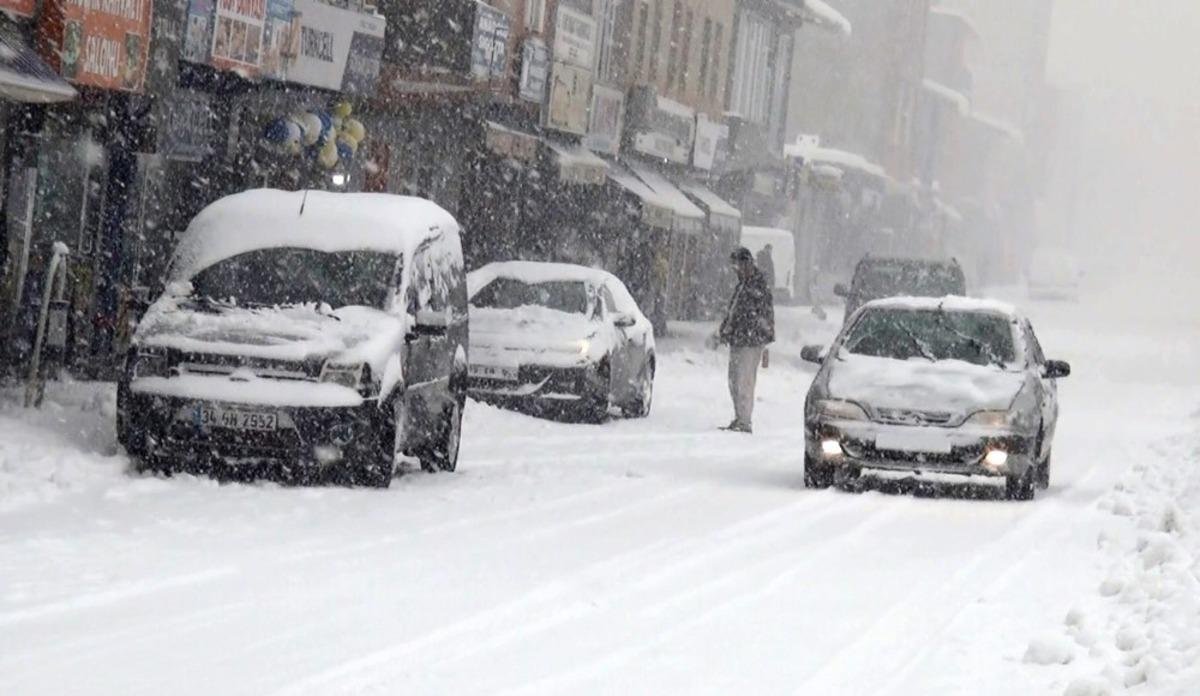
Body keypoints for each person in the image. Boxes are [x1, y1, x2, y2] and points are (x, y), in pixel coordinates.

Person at [715, 247, 775, 433]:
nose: (736, 270)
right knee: (734, 379)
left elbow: (759, 314)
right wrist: (726, 329)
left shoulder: (757, 285)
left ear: (746, 263)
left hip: (751, 341)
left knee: (744, 380)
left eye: (737, 265)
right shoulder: (743, 284)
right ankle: (739, 416)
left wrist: (760, 334)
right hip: (740, 339)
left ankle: (744, 420)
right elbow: (734, 311)